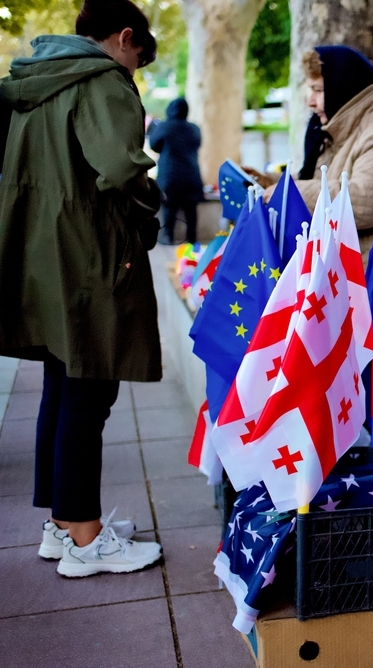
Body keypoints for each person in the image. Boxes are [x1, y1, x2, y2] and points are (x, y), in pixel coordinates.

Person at [0, 0, 164, 577]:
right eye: (137, 60)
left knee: (59, 386)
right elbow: (121, 170)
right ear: (123, 37)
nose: (133, 72)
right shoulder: (102, 81)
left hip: (39, 256)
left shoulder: (31, 82)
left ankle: (63, 525)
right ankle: (87, 541)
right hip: (88, 257)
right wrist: (150, 214)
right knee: (88, 395)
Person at [246, 46, 373, 476]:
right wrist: (278, 183)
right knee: (358, 389)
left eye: (316, 89)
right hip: (357, 279)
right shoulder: (343, 128)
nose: (311, 100)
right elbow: (329, 184)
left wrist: (289, 193)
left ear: (343, 90)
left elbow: (365, 200)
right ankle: (360, 481)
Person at [149, 97, 203, 245]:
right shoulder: (194, 128)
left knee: (169, 208)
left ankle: (168, 237)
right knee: (191, 210)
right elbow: (197, 144)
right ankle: (192, 240)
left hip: (170, 176)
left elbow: (154, 145)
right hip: (192, 176)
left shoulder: (164, 127)